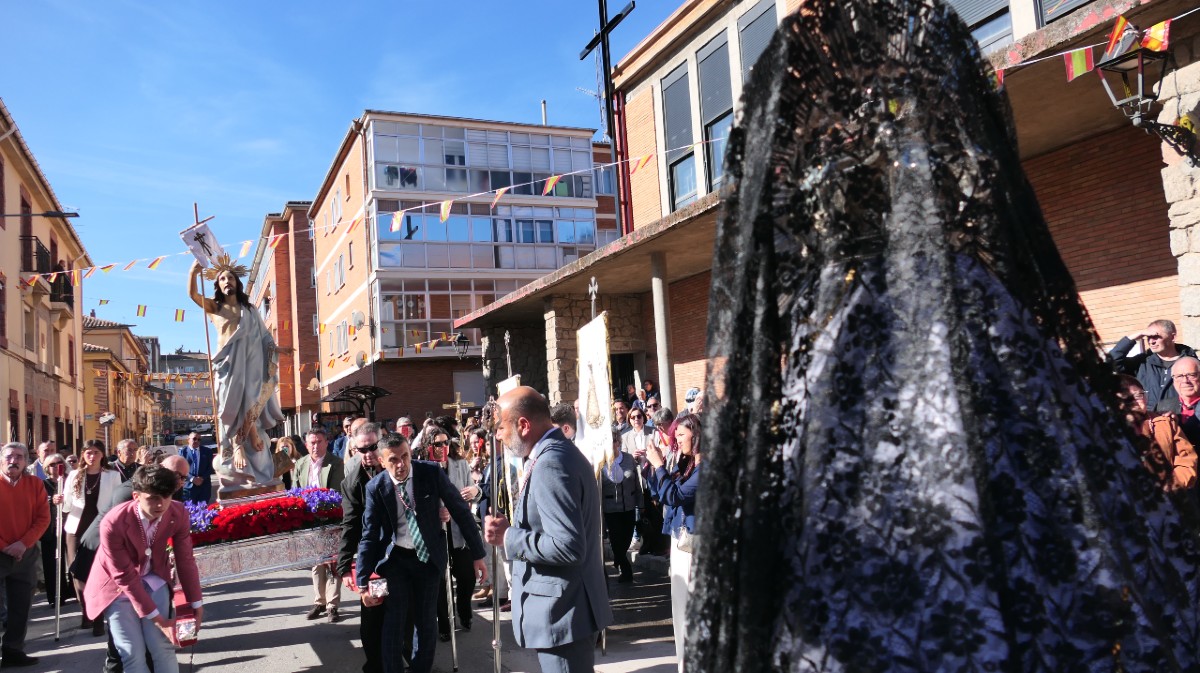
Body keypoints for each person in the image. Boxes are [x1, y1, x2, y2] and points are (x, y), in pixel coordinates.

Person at [483, 386, 612, 673]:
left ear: (523, 425)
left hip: (564, 613)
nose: (497, 435)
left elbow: (569, 546)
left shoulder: (550, 463)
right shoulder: (557, 454)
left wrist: (509, 536)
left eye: (501, 427)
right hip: (565, 612)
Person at [357, 434, 488, 673]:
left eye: (405, 456)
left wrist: (478, 555)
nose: (401, 464)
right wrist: (362, 582)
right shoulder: (376, 488)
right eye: (394, 460)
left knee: (426, 622)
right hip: (395, 559)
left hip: (428, 558)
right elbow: (369, 535)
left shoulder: (430, 473)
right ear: (381, 461)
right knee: (394, 620)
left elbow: (460, 511)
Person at [76, 454, 190, 673]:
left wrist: (196, 604)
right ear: (137, 496)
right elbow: (124, 576)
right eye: (153, 498)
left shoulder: (175, 509)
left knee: (162, 647)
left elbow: (185, 560)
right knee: (131, 652)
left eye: (181, 478)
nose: (161, 504)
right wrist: (158, 620)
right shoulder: (119, 509)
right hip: (115, 583)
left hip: (151, 577)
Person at [187, 256, 285, 494]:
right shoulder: (215, 307)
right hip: (227, 364)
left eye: (230, 277)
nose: (226, 281)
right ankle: (236, 445)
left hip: (251, 362)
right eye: (222, 278)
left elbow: (264, 337)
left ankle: (247, 438)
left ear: (237, 282)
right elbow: (193, 296)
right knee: (230, 405)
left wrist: (275, 351)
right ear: (218, 284)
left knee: (250, 397)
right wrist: (193, 271)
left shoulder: (250, 310)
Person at [645, 413, 701, 672]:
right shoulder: (686, 465)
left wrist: (659, 465)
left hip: (694, 547)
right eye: (675, 435)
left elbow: (676, 495)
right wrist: (651, 468)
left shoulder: (706, 467)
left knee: (690, 610)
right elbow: (661, 494)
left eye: (681, 434)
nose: (676, 440)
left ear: (697, 435)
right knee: (679, 608)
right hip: (678, 542)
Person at [56, 439, 121, 634]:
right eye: (88, 453)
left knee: (98, 571)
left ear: (102, 455)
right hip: (76, 529)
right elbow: (67, 505)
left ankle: (98, 617)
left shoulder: (112, 476)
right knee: (76, 571)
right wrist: (58, 500)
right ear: (83, 455)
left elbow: (116, 504)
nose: (92, 456)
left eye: (95, 452)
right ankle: (88, 612)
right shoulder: (74, 475)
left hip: (99, 529)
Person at [336, 423, 384, 673]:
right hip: (375, 560)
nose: (369, 454)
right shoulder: (353, 482)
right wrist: (344, 567)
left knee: (408, 619)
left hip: (405, 555)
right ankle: (375, 665)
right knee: (372, 623)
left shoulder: (399, 466)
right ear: (355, 449)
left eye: (373, 447)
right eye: (363, 449)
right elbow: (350, 524)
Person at [0, 442, 50, 668]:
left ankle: (13, 649)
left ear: (26, 461)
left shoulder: (35, 484)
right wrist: (5, 546)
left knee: (21, 606)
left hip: (25, 554)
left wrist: (23, 544)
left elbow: (43, 518)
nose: (14, 460)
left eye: (19, 456)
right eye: (9, 456)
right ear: (1, 459)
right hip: (1, 552)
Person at [431, 429, 482, 639]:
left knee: (466, 575)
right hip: (437, 530)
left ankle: (464, 609)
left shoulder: (459, 464)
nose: (442, 448)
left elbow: (474, 491)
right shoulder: (424, 468)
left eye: (445, 443)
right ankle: (444, 623)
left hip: (459, 528)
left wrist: (475, 491)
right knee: (440, 580)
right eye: (436, 444)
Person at [294, 427, 345, 622]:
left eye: (319, 442)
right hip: (310, 521)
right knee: (316, 564)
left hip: (330, 518)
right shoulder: (300, 463)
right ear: (306, 445)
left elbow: (335, 494)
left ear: (326, 443)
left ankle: (332, 606)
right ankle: (319, 602)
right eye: (312, 443)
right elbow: (296, 491)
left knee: (332, 563)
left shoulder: (336, 463)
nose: (315, 446)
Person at [1119, 374, 1198, 491]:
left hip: (1172, 493)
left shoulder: (1165, 422)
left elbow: (1186, 458)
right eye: (1127, 398)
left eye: (1138, 395)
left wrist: (1175, 484)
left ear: (1145, 396)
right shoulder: (1113, 428)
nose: (1134, 402)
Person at [1109, 319, 1196, 413]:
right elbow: (1111, 362)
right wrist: (1134, 337)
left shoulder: (1191, 364)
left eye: (1155, 337)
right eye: (1148, 338)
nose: (1151, 342)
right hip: (1150, 422)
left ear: (1172, 337)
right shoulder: (1141, 362)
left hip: (1182, 421)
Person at [602, 428, 642, 583]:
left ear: (618, 442)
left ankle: (619, 560)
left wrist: (641, 504)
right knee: (616, 541)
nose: (611, 445)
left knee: (625, 540)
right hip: (611, 509)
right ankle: (626, 570)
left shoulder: (628, 458)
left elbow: (636, 484)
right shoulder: (601, 462)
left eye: (613, 441)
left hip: (629, 507)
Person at [38, 454, 73, 608]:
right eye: (52, 464)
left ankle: (74, 590)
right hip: (50, 529)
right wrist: (50, 500)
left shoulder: (69, 482)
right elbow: (37, 502)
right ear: (47, 468)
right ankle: (56, 596)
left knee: (72, 560)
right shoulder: (42, 484)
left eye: (59, 463)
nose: (56, 466)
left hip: (70, 526)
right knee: (52, 563)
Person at [180, 432, 214, 504]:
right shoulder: (183, 452)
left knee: (203, 510)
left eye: (199, 439)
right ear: (188, 440)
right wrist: (192, 478)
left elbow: (210, 468)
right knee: (189, 511)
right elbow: (180, 469)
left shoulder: (207, 451)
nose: (197, 441)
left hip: (204, 486)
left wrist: (201, 478)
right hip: (189, 487)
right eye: (194, 439)